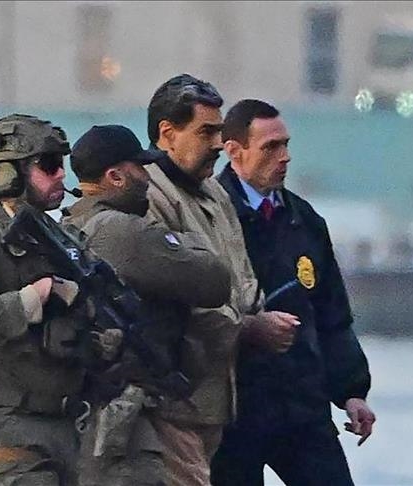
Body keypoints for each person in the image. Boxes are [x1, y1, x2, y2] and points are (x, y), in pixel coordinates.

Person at [211, 99, 375, 486]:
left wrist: (352, 392)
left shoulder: (304, 221)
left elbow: (332, 315)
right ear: (234, 151)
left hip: (302, 406)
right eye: (270, 147)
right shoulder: (211, 217)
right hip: (235, 412)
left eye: (285, 145)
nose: (284, 157)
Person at [60, 124, 233, 486]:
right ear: (115, 176)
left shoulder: (73, 224)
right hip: (142, 413)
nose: (147, 178)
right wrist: (184, 240)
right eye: (139, 168)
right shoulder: (120, 230)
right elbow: (215, 279)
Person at [142, 74, 293, 486]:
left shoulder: (214, 192)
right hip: (172, 402)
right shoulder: (149, 198)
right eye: (205, 132)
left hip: (221, 401)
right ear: (167, 134)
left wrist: (253, 316)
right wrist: (247, 328)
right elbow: (177, 297)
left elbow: (243, 280)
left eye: (219, 132)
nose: (217, 144)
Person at [0, 114, 92, 485]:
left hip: (67, 425)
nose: (61, 174)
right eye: (49, 165)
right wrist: (37, 295)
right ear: (8, 174)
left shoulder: (61, 239)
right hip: (7, 429)